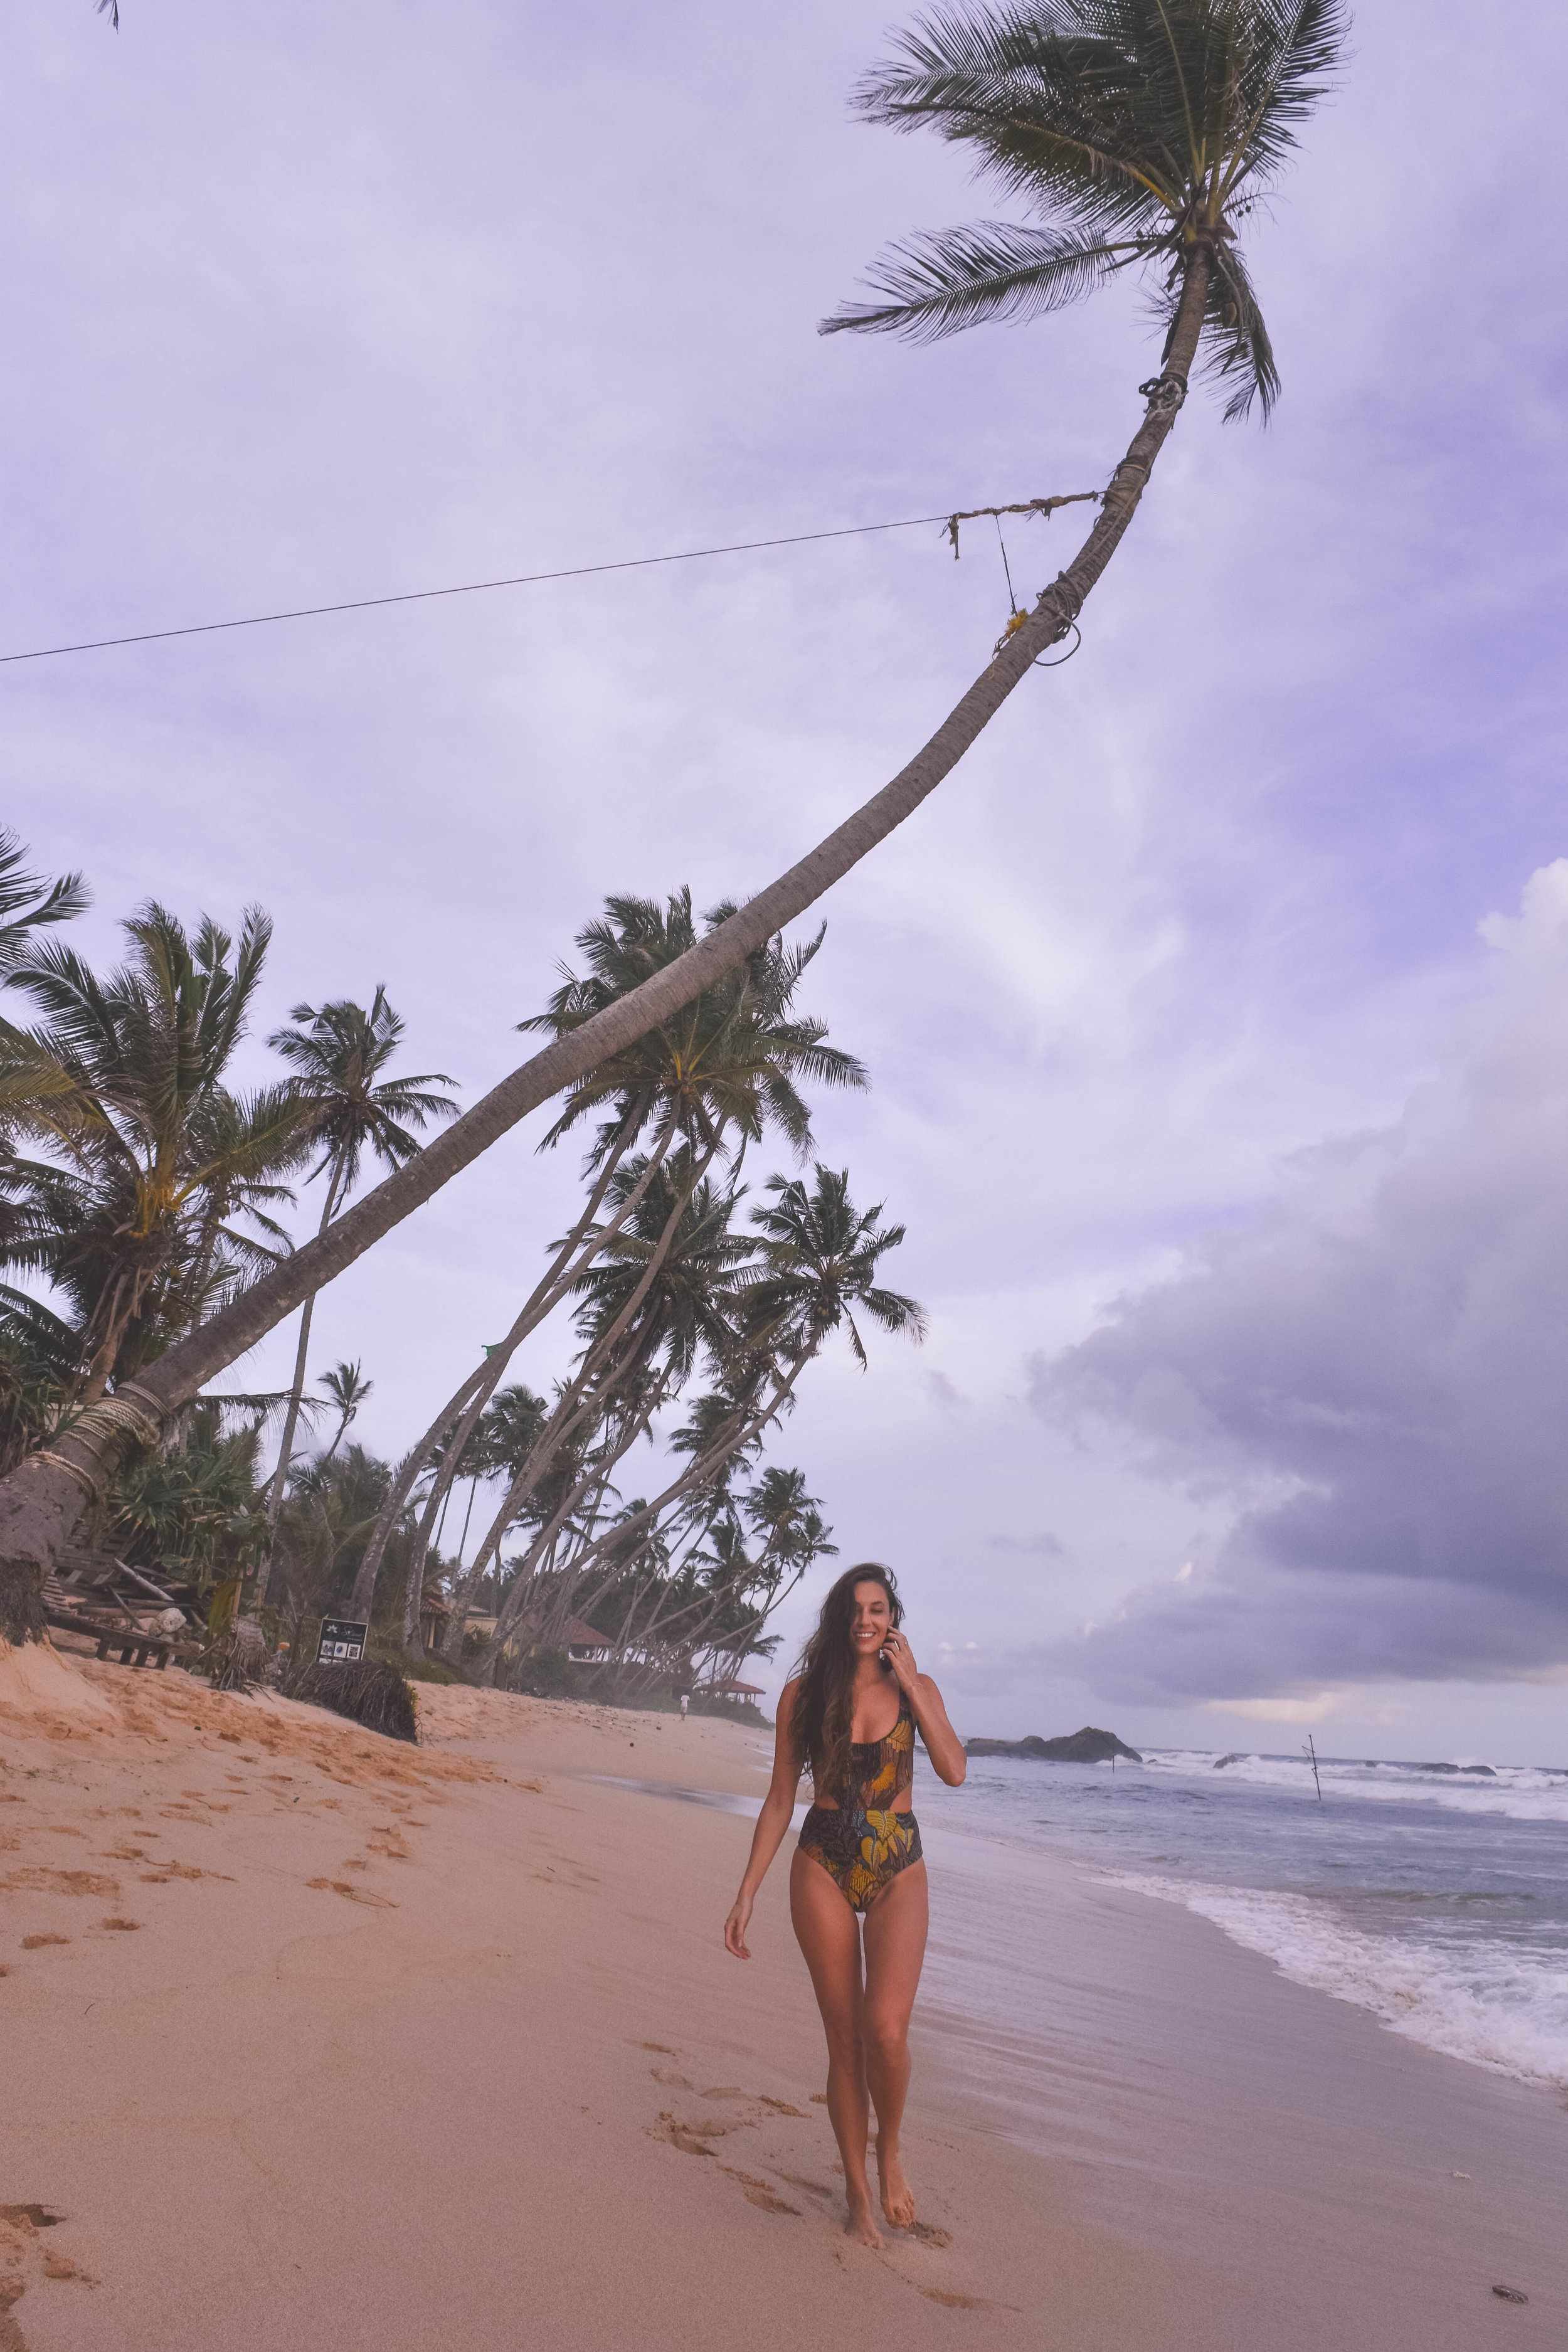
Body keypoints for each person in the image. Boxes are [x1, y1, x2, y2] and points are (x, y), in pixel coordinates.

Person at [723, 1563, 965, 2247]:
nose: (868, 1619)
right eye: (857, 1608)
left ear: (894, 1620)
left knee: (885, 2031)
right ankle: (856, 2195)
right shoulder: (802, 1695)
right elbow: (778, 1799)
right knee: (843, 2040)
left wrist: (914, 1684)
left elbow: (953, 1770)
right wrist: (746, 1892)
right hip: (822, 1862)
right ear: (839, 1618)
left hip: (897, 1868)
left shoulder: (917, 1690)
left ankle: (888, 2152)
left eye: (880, 1608)